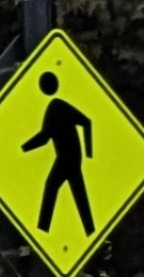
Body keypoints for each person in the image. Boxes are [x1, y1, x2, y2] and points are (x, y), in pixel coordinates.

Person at [21, 68, 98, 236]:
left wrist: (90, 152)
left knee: (52, 187)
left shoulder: (57, 106)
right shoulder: (56, 106)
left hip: (67, 158)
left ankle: (43, 229)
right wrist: (24, 148)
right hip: (71, 158)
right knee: (79, 196)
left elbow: (86, 122)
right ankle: (90, 231)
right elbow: (45, 137)